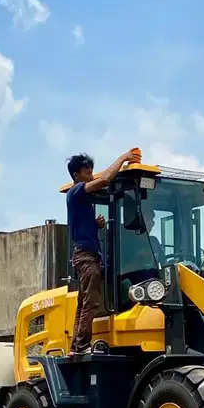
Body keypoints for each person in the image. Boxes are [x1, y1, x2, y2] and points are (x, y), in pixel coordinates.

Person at [66, 146, 141, 354]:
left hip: (87, 255)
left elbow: (80, 226)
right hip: (86, 257)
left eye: (92, 171)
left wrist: (95, 225)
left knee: (84, 303)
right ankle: (81, 346)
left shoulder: (82, 202)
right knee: (91, 301)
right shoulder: (76, 191)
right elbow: (106, 179)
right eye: (87, 172)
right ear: (76, 175)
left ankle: (76, 345)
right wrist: (123, 157)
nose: (91, 176)